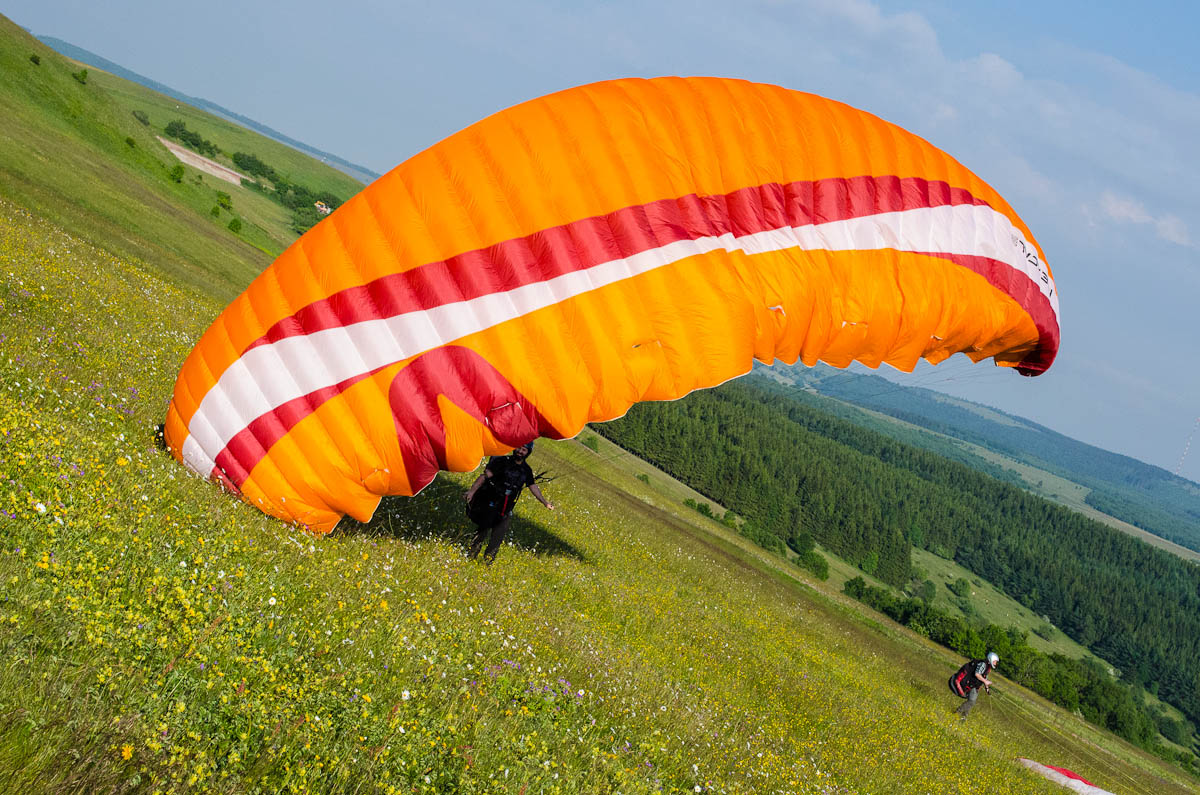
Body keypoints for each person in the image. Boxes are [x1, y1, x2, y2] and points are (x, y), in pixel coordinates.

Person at [463, 441, 553, 563]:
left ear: (528, 453)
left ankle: (487, 562)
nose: (520, 451)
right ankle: (471, 555)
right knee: (483, 529)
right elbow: (484, 477)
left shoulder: (526, 470)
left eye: (524, 450)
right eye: (519, 448)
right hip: (490, 503)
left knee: (498, 537)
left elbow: (532, 486)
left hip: (505, 509)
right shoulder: (502, 462)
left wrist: (545, 502)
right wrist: (471, 492)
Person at [949, 651, 998, 719]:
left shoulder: (988, 667)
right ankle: (957, 712)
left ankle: (963, 717)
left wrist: (987, 688)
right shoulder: (983, 664)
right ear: (991, 659)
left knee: (972, 701)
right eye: (995, 661)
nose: (996, 663)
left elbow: (985, 678)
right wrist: (985, 681)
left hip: (974, 685)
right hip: (971, 683)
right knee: (971, 701)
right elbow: (977, 674)